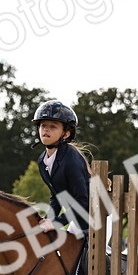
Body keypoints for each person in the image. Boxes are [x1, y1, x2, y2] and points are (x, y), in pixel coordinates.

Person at [33, 100, 90, 235]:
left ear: (66, 134)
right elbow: (57, 196)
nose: (46, 129)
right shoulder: (43, 161)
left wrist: (56, 223)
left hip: (97, 216)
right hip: (78, 219)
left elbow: (82, 200)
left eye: (53, 127)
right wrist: (48, 219)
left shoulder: (71, 158)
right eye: (43, 125)